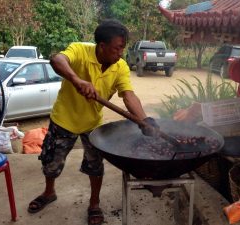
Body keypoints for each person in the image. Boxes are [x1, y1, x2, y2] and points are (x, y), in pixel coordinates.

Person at [27, 19, 159, 225]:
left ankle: (94, 203)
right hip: (64, 119)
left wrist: (144, 121)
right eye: (117, 48)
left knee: (95, 166)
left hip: (93, 125)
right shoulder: (80, 50)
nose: (120, 53)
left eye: (123, 48)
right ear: (102, 46)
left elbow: (128, 95)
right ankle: (49, 192)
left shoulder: (120, 67)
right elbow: (56, 59)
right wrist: (77, 79)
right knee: (51, 163)